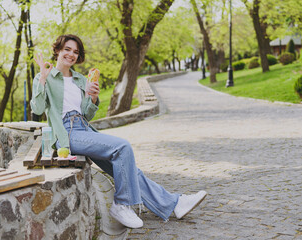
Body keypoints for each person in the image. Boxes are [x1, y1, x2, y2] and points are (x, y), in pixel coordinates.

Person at [31, 34, 207, 229]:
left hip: (83, 128)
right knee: (122, 147)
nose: (71, 54)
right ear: (57, 50)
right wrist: (43, 80)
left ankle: (174, 204)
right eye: (67, 49)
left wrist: (93, 98)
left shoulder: (81, 79)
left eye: (75, 52)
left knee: (129, 168)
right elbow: (38, 109)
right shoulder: (44, 76)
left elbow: (87, 115)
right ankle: (122, 204)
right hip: (66, 133)